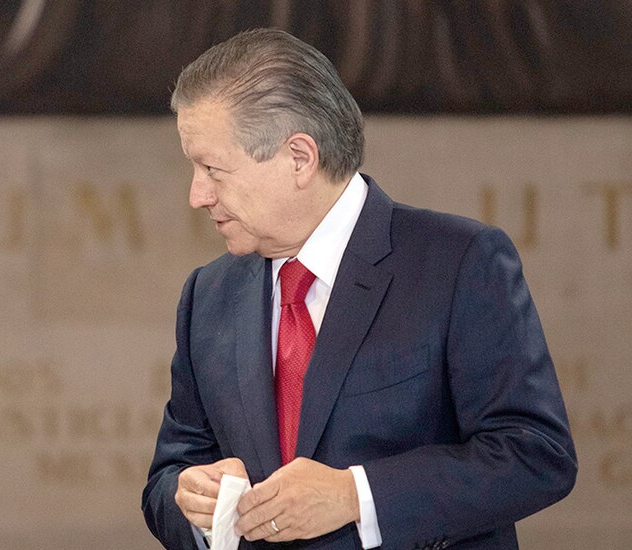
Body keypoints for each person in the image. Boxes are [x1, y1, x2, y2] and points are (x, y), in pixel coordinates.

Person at [142, 28, 576, 550]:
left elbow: (535, 455)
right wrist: (190, 500)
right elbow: (172, 470)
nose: (197, 194)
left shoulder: (459, 262)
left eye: (212, 168)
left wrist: (356, 495)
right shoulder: (207, 294)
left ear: (299, 158)